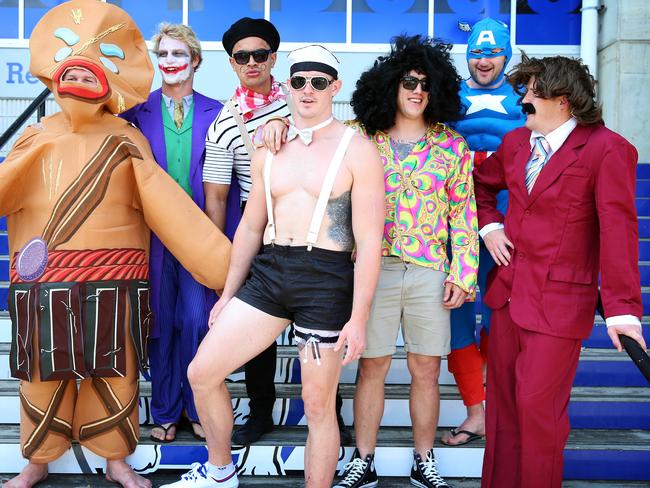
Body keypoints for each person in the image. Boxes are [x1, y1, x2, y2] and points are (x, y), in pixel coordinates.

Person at [1, 1, 231, 488]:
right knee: (42, 379)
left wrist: (224, 268)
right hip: (45, 286)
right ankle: (37, 461)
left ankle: (116, 459)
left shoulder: (128, 138)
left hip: (115, 287)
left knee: (116, 375)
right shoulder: (35, 136)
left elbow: (166, 205)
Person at [162, 45, 384, 488]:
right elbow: (248, 228)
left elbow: (371, 242)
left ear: (334, 88)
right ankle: (221, 470)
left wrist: (358, 319)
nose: (307, 89)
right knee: (201, 372)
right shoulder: (268, 147)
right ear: (286, 85)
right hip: (271, 270)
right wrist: (227, 295)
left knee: (318, 406)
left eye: (319, 82)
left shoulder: (357, 149)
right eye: (299, 80)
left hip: (327, 276)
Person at [473, 54, 646, 488]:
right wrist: (491, 226)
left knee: (538, 410)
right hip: (507, 294)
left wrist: (624, 310)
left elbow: (618, 230)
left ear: (563, 100)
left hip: (560, 303)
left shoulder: (609, 149)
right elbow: (479, 185)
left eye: (532, 92)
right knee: (504, 410)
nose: (523, 100)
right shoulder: (515, 143)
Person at [333, 35, 479, 488]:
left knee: (426, 369)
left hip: (429, 269)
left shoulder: (451, 146)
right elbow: (330, 186)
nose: (417, 91)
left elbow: (464, 213)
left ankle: (424, 460)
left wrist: (465, 272)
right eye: (409, 81)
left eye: (426, 84)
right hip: (372, 268)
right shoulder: (360, 136)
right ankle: (363, 461)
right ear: (392, 85)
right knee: (371, 364)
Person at [203, 17, 348, 445]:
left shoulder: (304, 96)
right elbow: (216, 197)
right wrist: (219, 259)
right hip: (260, 229)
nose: (251, 63)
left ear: (274, 60)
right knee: (256, 336)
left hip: (317, 231)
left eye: (260, 54)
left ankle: (331, 415)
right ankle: (260, 410)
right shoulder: (222, 124)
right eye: (242, 56)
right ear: (231, 63)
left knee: (323, 336)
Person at [121, 23, 222, 444]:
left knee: (196, 320)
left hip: (200, 234)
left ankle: (197, 407)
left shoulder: (219, 112)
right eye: (163, 55)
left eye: (178, 55)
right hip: (154, 236)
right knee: (158, 325)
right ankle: (164, 409)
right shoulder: (134, 114)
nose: (169, 63)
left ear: (195, 61)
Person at [441, 17, 526, 447]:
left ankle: (493, 407)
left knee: (499, 310)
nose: (484, 60)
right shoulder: (445, 95)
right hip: (453, 214)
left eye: (492, 52)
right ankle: (475, 411)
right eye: (476, 52)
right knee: (456, 311)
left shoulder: (526, 97)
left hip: (507, 216)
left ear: (506, 55)